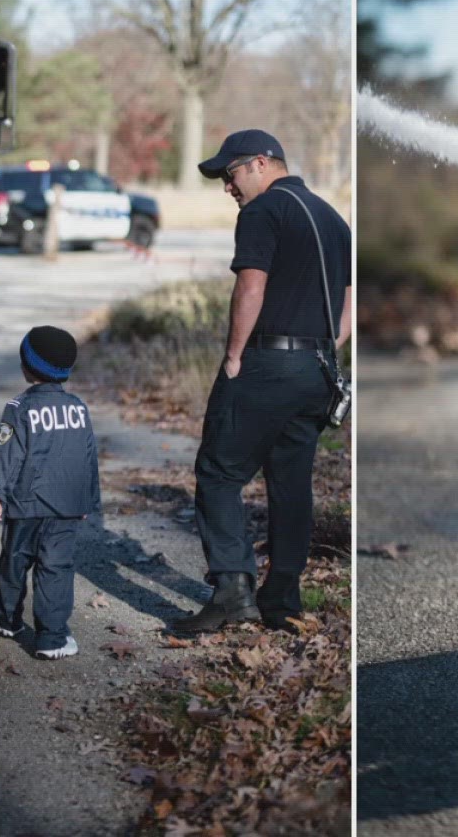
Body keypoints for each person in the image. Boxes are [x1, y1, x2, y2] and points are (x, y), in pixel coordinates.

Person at [168, 130, 354, 636]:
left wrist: (233, 356)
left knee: (219, 473)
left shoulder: (264, 212)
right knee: (291, 482)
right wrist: (324, 349)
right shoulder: (334, 219)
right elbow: (350, 301)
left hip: (267, 364)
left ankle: (232, 594)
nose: (227, 187)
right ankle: (282, 599)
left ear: (259, 164)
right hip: (317, 370)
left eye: (229, 175)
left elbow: (252, 284)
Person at [0, 325, 101, 660]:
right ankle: (52, 637)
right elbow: (87, 456)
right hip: (65, 505)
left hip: (25, 504)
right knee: (56, 567)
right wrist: (87, 499)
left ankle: (5, 617)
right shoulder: (78, 407)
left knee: (15, 560)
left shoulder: (19, 407)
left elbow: (8, 455)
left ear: (25, 365)